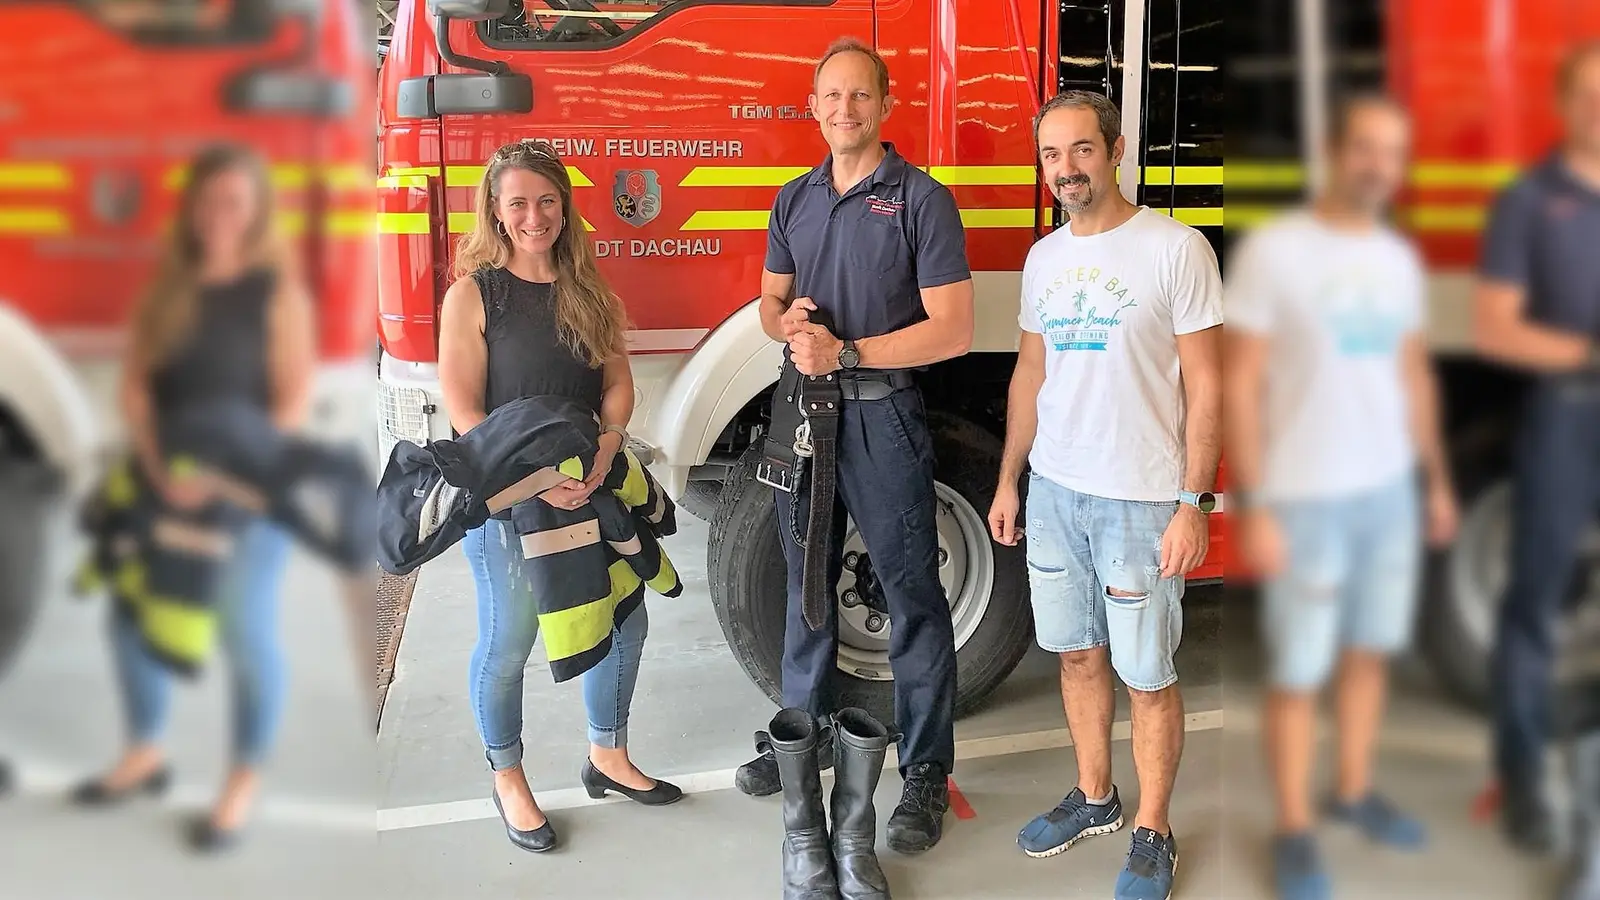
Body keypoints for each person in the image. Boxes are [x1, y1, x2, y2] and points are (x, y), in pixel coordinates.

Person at [731, 36, 975, 856]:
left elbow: (954, 330)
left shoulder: (920, 201)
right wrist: (788, 323)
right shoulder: (795, 198)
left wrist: (851, 353)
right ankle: (805, 734)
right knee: (807, 585)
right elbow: (768, 303)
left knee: (911, 594)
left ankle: (927, 772)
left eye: (860, 96)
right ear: (813, 108)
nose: (845, 110)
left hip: (882, 416)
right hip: (806, 413)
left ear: (886, 103)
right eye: (831, 97)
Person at [1222, 94, 1459, 900]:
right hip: (1307, 499)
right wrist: (1253, 504)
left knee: (1367, 655)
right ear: (1334, 149)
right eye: (1365, 149)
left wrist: (1435, 481)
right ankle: (1294, 828)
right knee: (1298, 671)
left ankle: (1352, 792)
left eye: (1392, 154)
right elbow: (1244, 380)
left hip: (1387, 493)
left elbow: (1413, 371)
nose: (1377, 167)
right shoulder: (1278, 255)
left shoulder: (1396, 258)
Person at [988, 90, 1222, 900]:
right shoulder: (1044, 258)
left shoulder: (1175, 250)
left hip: (1141, 502)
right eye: (1052, 155)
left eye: (1081, 150)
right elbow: (1030, 371)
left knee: (1146, 673)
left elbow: (1208, 385)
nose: (1066, 169)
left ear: (1114, 150)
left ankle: (1154, 829)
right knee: (1079, 656)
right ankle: (1097, 799)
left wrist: (1195, 499)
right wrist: (1011, 477)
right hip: (1055, 491)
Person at [436, 139, 681, 855]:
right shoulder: (475, 295)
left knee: (625, 623)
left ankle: (606, 755)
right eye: (518, 203)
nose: (534, 216)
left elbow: (616, 384)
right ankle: (507, 776)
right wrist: (539, 479)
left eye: (546, 201)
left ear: (564, 209)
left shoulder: (588, 288)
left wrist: (607, 450)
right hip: (511, 499)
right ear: (496, 211)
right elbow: (463, 411)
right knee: (509, 641)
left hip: (591, 491)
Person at [70, 143, 311, 851]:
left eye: (234, 201)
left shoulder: (277, 294)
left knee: (247, 633)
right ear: (191, 210)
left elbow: (290, 404)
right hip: (161, 479)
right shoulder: (167, 290)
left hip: (248, 490)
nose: (220, 215)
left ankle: (243, 776)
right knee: (128, 617)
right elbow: (137, 391)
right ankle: (144, 748)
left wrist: (226, 480)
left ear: (257, 210)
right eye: (209, 201)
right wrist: (158, 469)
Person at [1472, 40, 1600, 855]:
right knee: (1538, 604)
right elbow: (1495, 324)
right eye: (1586, 93)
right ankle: (1524, 782)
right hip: (1569, 415)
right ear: (1565, 102)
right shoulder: (1529, 200)